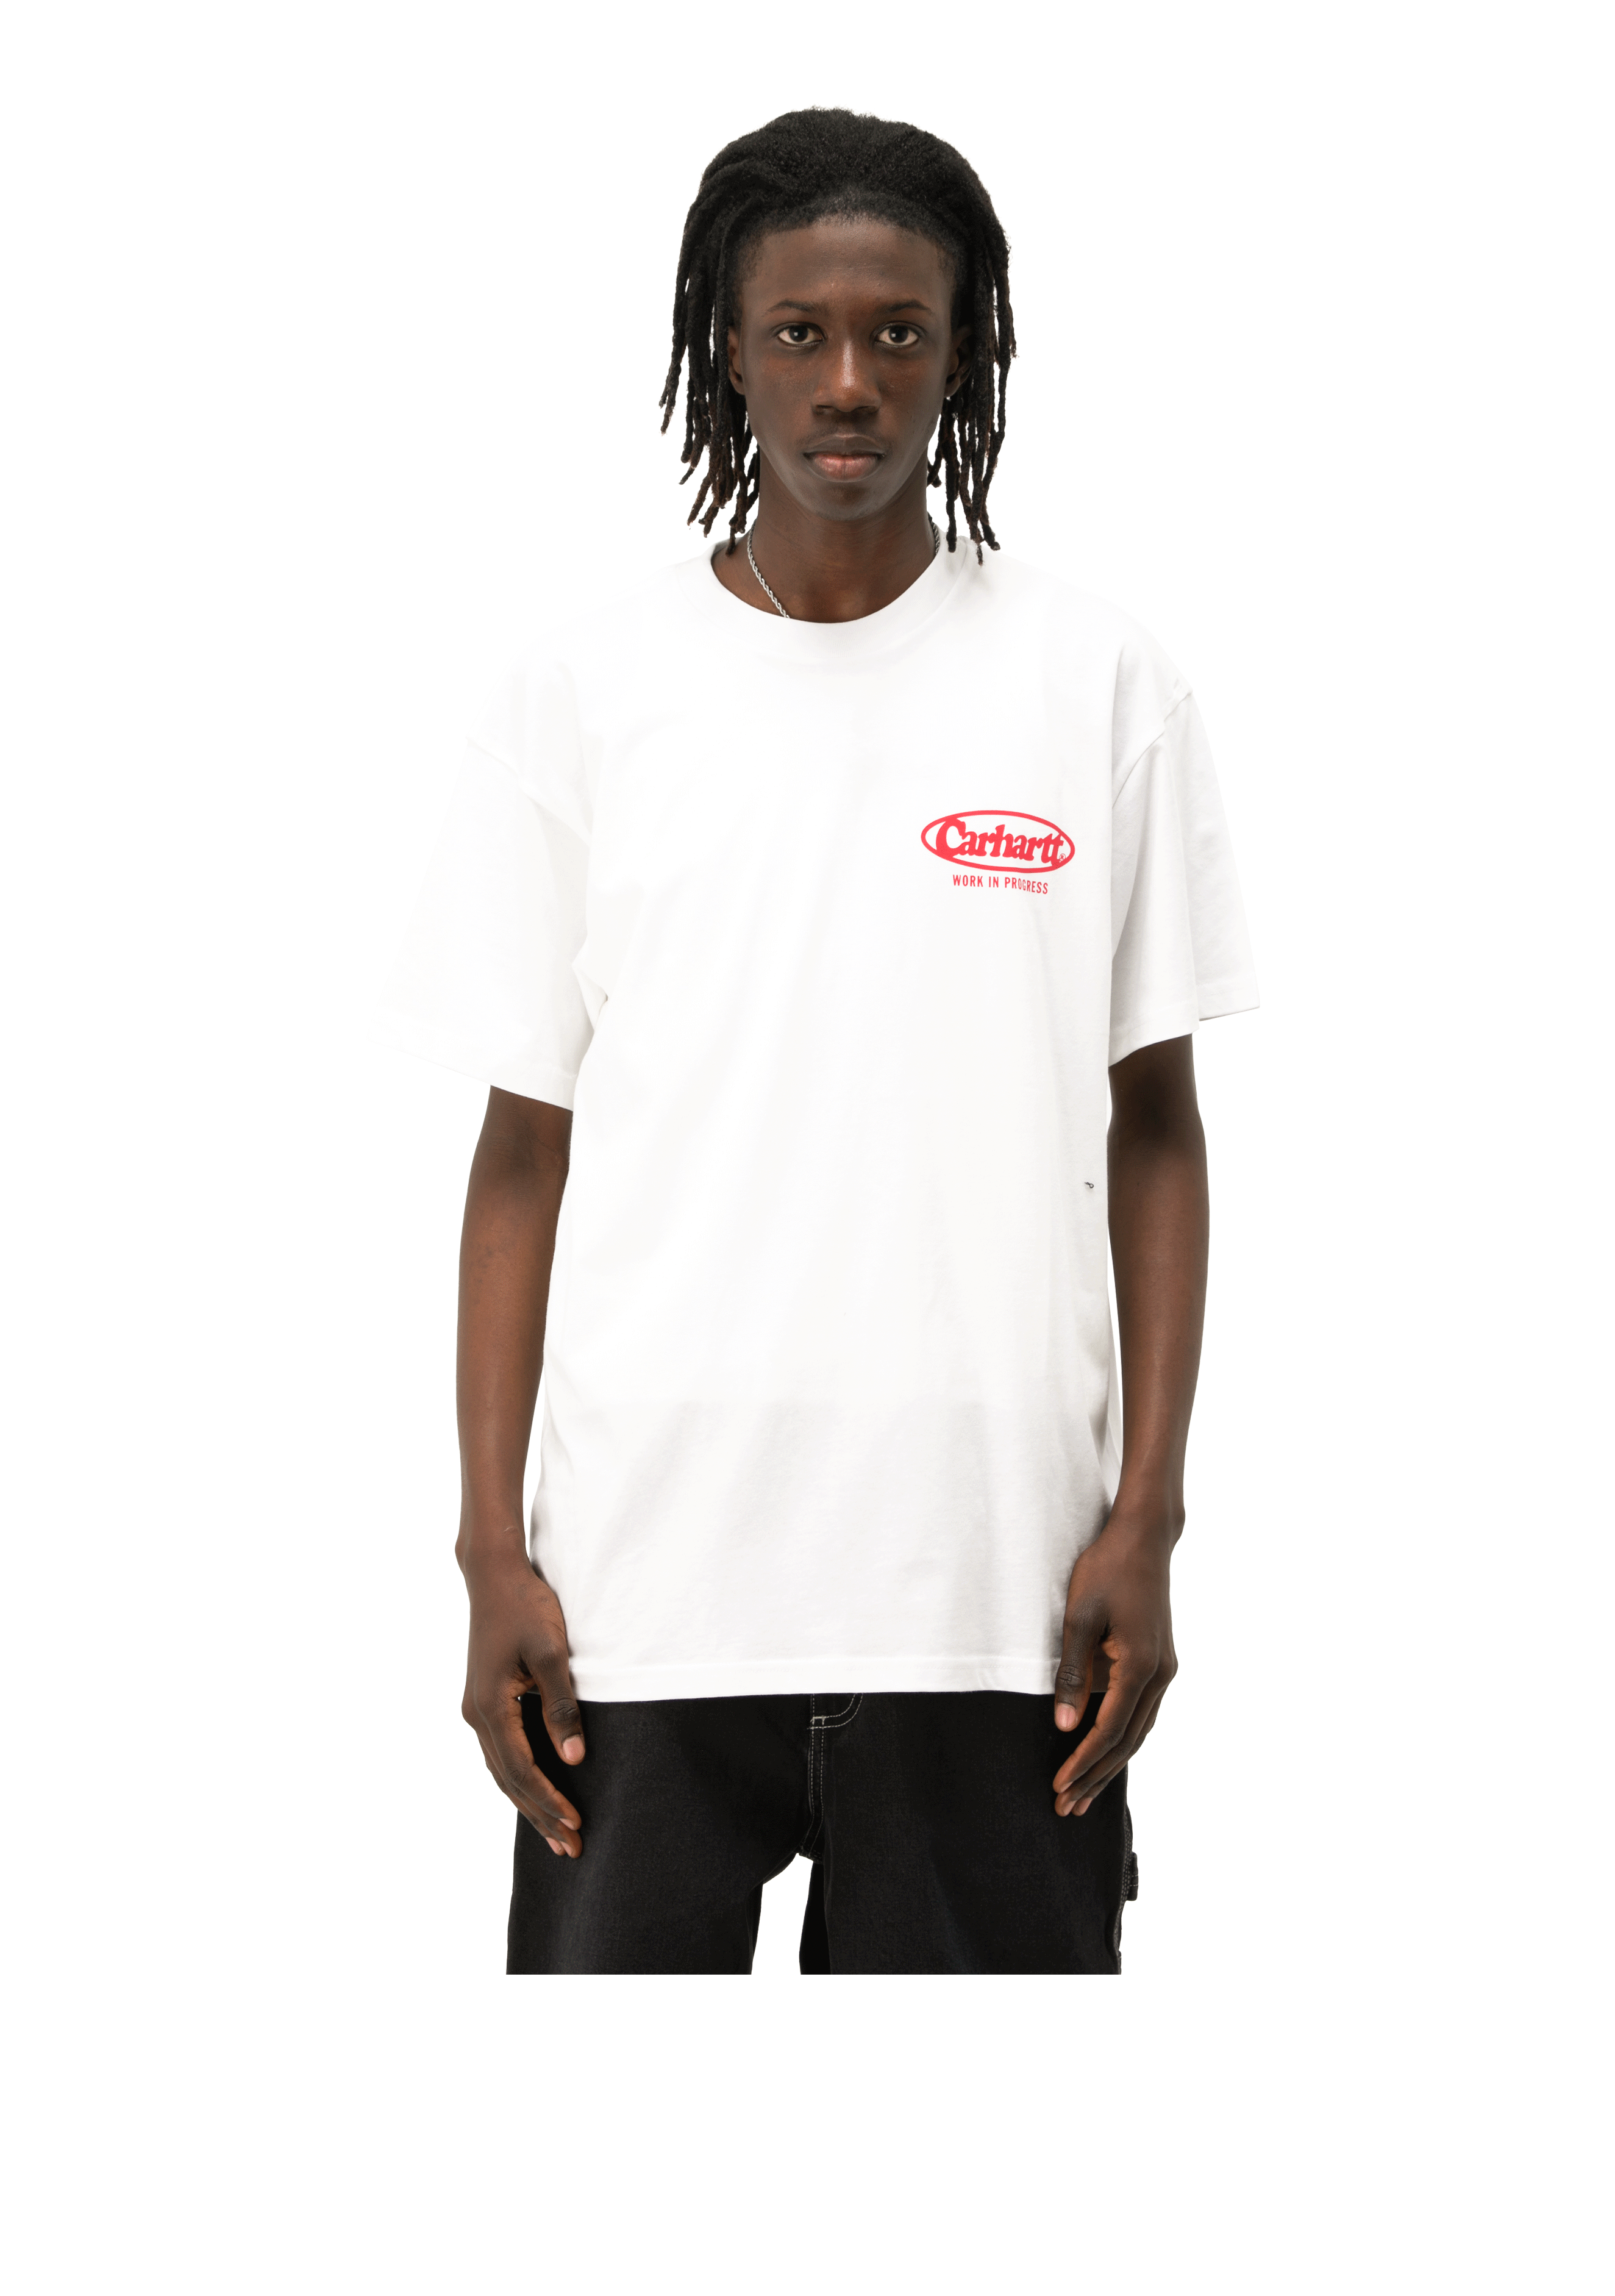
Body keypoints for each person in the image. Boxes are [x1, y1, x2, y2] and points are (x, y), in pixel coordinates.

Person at [377, 106, 1257, 1973]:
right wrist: (486, 1550)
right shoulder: (585, 695)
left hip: (997, 1585)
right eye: (800, 332)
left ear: (968, 351)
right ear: (728, 348)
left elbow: (1161, 1128)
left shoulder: (1097, 683)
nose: (849, 380)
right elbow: (521, 1155)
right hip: (644, 1586)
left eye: (898, 332)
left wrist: (1150, 1520)